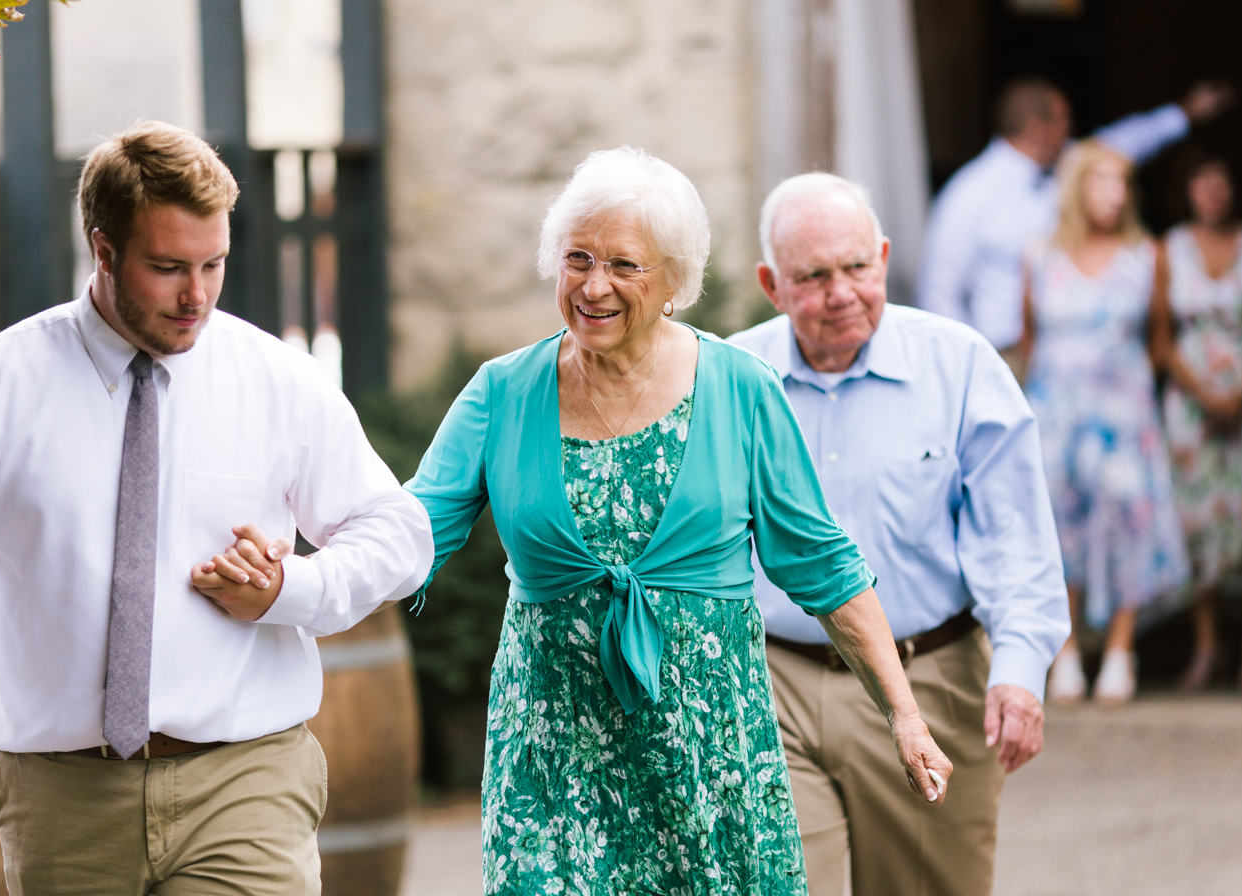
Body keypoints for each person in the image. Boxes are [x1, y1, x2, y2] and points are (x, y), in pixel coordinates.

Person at [0, 121, 433, 892]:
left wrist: (291, 590)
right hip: (62, 799)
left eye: (214, 264)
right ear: (103, 250)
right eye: (167, 268)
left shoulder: (278, 381)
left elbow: (399, 534)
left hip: (244, 784)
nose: (196, 295)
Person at [404, 147, 953, 895]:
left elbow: (822, 564)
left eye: (624, 265)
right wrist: (301, 574)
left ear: (672, 280)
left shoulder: (739, 389)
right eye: (577, 259)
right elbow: (407, 533)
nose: (594, 286)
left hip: (709, 758)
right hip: (553, 757)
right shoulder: (502, 392)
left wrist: (904, 715)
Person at [728, 172, 1069, 896]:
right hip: (772, 681)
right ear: (771, 284)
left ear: (883, 257)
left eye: (856, 267)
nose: (841, 292)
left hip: (931, 675)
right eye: (813, 276)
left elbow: (1013, 535)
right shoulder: (730, 378)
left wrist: (1019, 666)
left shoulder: (961, 364)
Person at [1022, 140, 1188, 704]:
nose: (1113, 195)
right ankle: (1064, 653)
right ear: (1077, 189)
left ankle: (1121, 650)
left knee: (1127, 519)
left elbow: (1160, 340)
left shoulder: (1148, 254)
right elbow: (1029, 339)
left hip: (1123, 413)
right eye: (1101, 182)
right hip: (1057, 413)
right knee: (1058, 525)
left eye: (1121, 183)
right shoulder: (1040, 255)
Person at [919, 78, 1234, 369]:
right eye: (1065, 120)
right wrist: (971, 364)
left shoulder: (1070, 165)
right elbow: (939, 292)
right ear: (1038, 128)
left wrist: (1185, 112)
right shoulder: (967, 194)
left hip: (1076, 347)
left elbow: (1123, 143)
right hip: (1004, 355)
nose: (1072, 129)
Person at [1154, 157, 1242, 690]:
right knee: (1196, 520)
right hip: (1191, 398)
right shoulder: (1170, 248)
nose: (1212, 194)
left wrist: (1241, 390)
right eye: (1201, 183)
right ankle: (1207, 645)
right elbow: (1160, 336)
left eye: (1221, 183)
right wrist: (1203, 391)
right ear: (1187, 190)